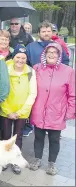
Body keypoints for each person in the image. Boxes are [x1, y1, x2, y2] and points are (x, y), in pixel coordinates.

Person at [29, 43, 75, 176]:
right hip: (39, 110)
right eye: (49, 51)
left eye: (55, 52)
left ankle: (52, 163)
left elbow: (72, 94)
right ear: (44, 53)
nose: (51, 54)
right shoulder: (37, 68)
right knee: (38, 137)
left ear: (59, 55)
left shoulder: (68, 71)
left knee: (54, 139)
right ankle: (37, 159)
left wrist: (70, 112)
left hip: (57, 112)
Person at [0, 45, 37, 175]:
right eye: (18, 57)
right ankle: (3, 160)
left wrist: (20, 112)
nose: (20, 60)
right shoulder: (5, 68)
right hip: (6, 110)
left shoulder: (31, 72)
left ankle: (15, 161)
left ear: (27, 59)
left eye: (23, 58)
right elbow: (1, 90)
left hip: (22, 111)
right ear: (13, 57)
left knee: (18, 137)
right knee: (5, 137)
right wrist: (7, 110)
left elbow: (32, 94)